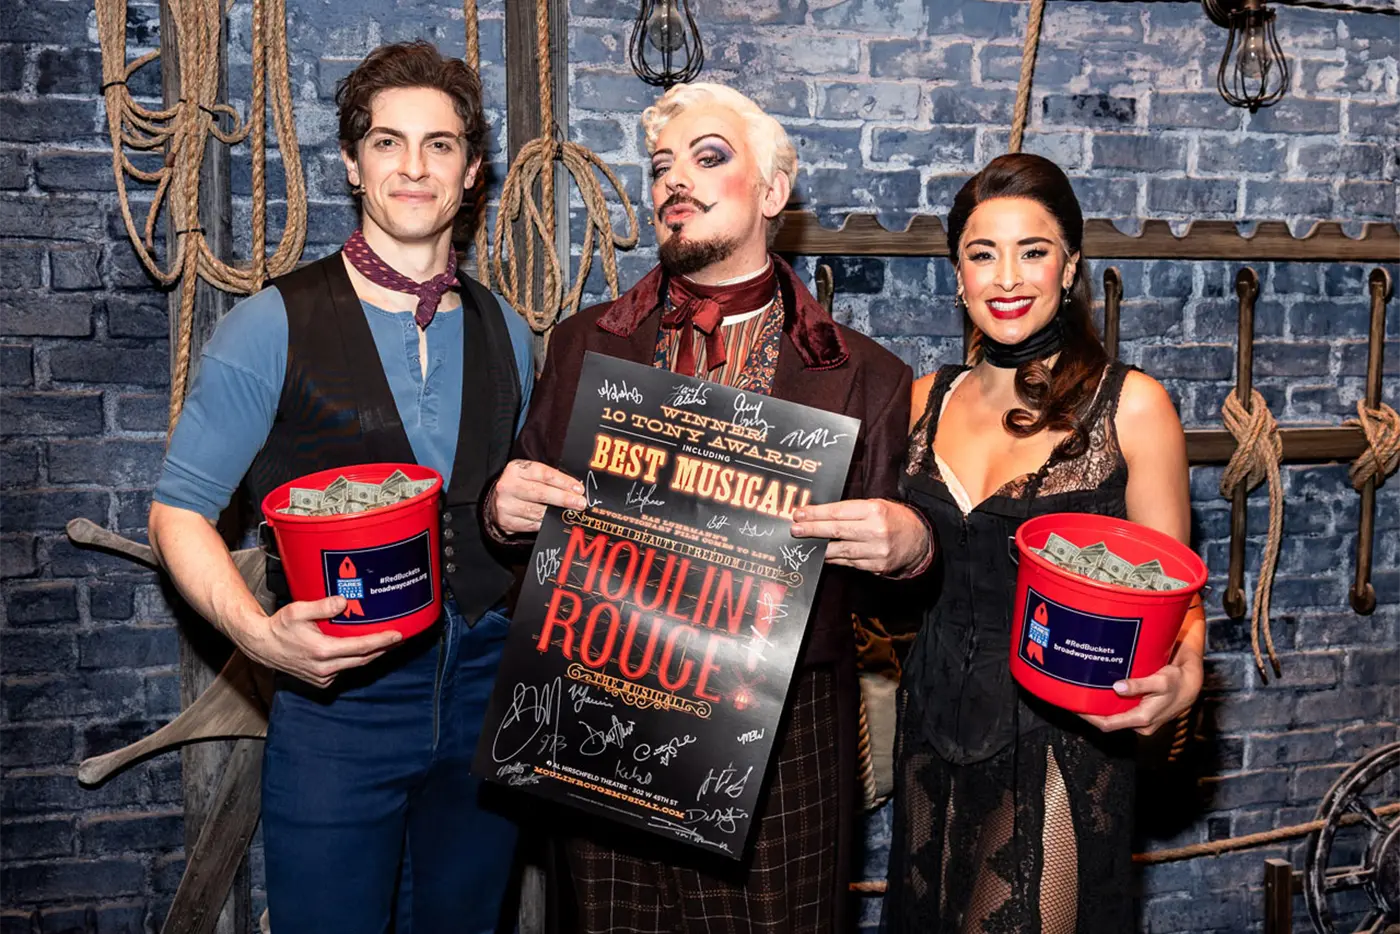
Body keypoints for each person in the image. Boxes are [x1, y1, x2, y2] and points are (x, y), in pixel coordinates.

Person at [485, 81, 921, 933]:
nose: (673, 182)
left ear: (772, 192)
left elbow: (895, 602)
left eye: (708, 158)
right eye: (659, 167)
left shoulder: (866, 375)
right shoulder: (584, 345)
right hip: (599, 722)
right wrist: (502, 512)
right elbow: (519, 532)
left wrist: (910, 548)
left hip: (784, 740)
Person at [146, 40, 533, 934]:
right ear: (355, 165)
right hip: (342, 703)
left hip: (484, 686)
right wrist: (258, 637)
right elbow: (178, 511)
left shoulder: (509, 330)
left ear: (472, 173)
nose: (413, 166)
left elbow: (502, 509)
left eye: (440, 145)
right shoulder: (267, 324)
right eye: (388, 142)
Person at [854, 152, 1205, 932]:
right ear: (957, 274)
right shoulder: (921, 400)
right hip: (931, 728)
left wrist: (1184, 675)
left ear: (1070, 266)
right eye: (983, 254)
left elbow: (1175, 597)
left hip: (1062, 744)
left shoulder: (1134, 408)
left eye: (1033, 251)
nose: (1007, 278)